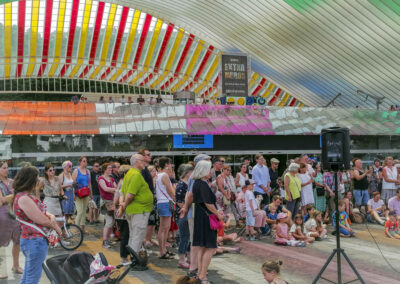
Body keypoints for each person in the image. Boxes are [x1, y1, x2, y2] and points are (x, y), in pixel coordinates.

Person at [13, 166, 61, 284]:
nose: (38, 180)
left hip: (32, 240)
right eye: (36, 177)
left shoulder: (24, 196)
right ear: (30, 179)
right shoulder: (24, 198)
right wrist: (57, 228)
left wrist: (51, 216)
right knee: (32, 278)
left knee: (28, 276)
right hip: (35, 241)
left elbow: (40, 213)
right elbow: (41, 219)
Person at [179, 154, 211, 279]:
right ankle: (194, 268)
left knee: (198, 242)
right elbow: (189, 195)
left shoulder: (199, 177)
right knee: (196, 242)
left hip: (198, 213)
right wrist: (186, 208)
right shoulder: (196, 177)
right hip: (196, 213)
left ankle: (197, 267)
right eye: (207, 162)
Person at [119, 154, 153, 269]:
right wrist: (123, 206)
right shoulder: (136, 175)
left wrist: (122, 207)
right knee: (137, 236)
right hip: (139, 210)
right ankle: (136, 261)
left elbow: (122, 193)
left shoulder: (128, 174)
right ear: (137, 162)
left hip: (133, 210)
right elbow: (129, 195)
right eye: (143, 161)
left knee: (133, 235)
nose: (145, 163)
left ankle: (134, 260)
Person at [192, 160, 222, 284]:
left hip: (200, 217)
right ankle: (203, 275)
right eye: (210, 169)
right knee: (210, 247)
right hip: (207, 218)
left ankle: (200, 274)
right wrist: (218, 214)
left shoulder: (197, 183)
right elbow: (208, 203)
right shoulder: (203, 184)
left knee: (202, 247)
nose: (211, 171)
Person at [0, 161, 22, 278]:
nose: (6, 170)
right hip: (2, 215)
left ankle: (16, 265)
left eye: (7, 168)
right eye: (4, 168)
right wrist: (11, 197)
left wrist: (6, 198)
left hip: (14, 214)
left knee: (17, 240)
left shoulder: (11, 182)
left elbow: (18, 195)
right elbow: (1, 201)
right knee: (0, 241)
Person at [156, 157, 176, 259]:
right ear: (167, 164)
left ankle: (163, 250)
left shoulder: (158, 175)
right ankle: (162, 251)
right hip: (165, 202)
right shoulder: (164, 175)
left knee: (164, 228)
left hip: (161, 202)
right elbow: (170, 190)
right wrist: (175, 199)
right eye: (170, 164)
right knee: (164, 228)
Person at [175, 163, 194, 269]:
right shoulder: (182, 185)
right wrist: (186, 208)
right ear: (188, 173)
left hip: (186, 214)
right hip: (183, 215)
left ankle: (189, 258)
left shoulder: (186, 184)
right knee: (184, 237)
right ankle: (181, 259)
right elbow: (179, 202)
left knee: (188, 237)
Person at [138, 149, 157, 248]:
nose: (150, 156)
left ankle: (147, 239)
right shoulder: (141, 170)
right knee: (146, 221)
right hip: (145, 201)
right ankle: (145, 240)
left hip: (149, 199)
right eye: (148, 154)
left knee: (151, 220)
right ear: (142, 157)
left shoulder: (145, 169)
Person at [114, 165, 131, 264]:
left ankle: (125, 256)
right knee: (125, 235)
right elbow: (118, 199)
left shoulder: (121, 182)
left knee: (125, 234)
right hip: (122, 213)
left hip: (120, 212)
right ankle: (124, 257)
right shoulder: (124, 182)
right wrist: (120, 207)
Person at [98, 163, 117, 248]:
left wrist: (114, 190)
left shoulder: (111, 179)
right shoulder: (101, 178)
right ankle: (105, 240)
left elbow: (115, 189)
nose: (111, 169)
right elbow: (105, 189)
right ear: (104, 169)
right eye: (109, 168)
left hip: (112, 201)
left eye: (111, 168)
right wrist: (115, 190)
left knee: (112, 221)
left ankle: (107, 239)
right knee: (109, 221)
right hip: (106, 202)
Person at [72, 156, 92, 233]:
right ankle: (77, 229)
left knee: (84, 212)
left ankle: (82, 229)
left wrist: (91, 194)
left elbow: (89, 183)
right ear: (80, 162)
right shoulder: (76, 171)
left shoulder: (88, 171)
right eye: (84, 161)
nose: (85, 162)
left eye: (86, 161)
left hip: (86, 193)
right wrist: (73, 193)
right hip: (78, 193)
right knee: (79, 211)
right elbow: (73, 184)